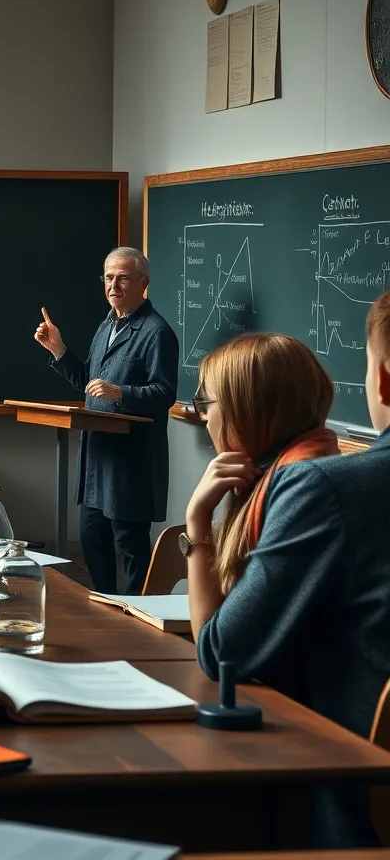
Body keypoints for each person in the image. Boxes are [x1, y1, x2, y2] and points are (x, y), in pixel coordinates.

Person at [186, 325, 390, 847]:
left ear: (383, 381)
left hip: (344, 789)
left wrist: (196, 528)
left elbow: (222, 652)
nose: (201, 414)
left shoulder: (319, 485)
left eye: (204, 402)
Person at [34, 246, 178, 594]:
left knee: (129, 544)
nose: (113, 285)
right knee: (91, 537)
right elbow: (90, 381)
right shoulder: (106, 326)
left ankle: (136, 616)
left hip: (131, 459)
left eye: (123, 278)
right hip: (97, 458)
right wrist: (59, 351)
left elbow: (165, 393)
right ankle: (105, 604)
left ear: (143, 283)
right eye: (108, 277)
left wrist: (122, 393)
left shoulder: (156, 332)